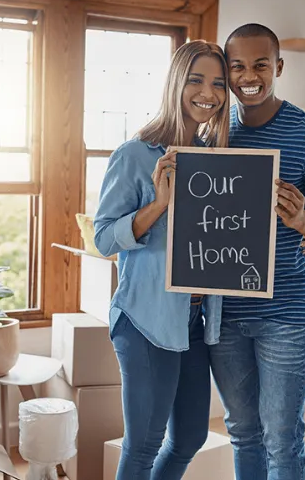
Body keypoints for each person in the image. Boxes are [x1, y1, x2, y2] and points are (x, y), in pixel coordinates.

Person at [206, 23, 305, 480]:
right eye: (237, 66)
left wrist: (304, 222)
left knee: (281, 439)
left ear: (279, 66)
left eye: (260, 64)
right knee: (242, 430)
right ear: (226, 72)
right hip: (223, 313)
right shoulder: (210, 134)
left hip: (285, 314)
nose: (248, 76)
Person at [92, 39, 230, 480]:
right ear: (176, 83)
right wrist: (158, 205)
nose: (207, 92)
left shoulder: (221, 163)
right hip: (146, 320)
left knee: (189, 437)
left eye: (218, 83)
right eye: (196, 79)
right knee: (144, 442)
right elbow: (103, 239)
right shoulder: (133, 155)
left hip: (195, 321)